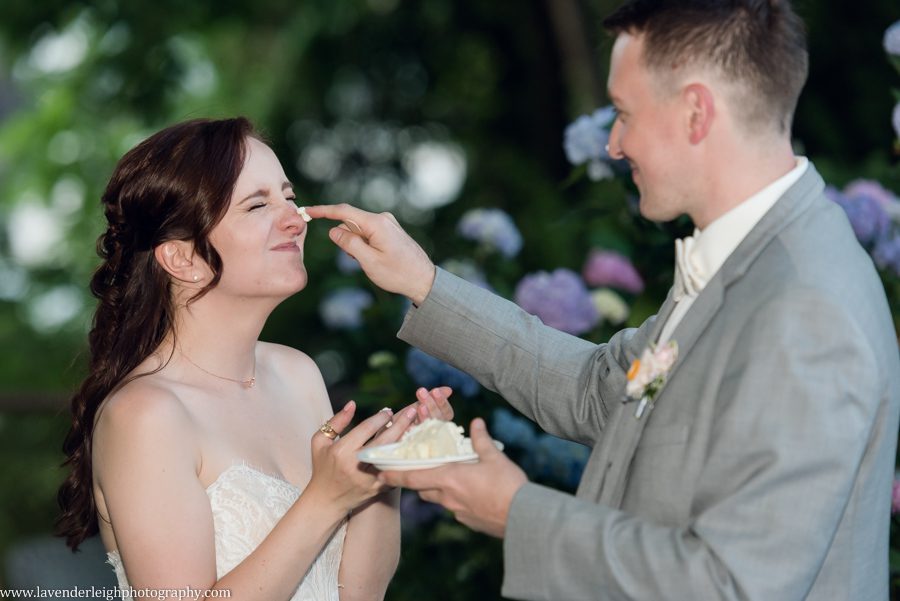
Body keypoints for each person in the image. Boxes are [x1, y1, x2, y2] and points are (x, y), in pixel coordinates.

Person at [305, 1, 900, 599]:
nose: (614, 145)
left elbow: (734, 584)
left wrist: (518, 513)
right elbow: (602, 393)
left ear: (696, 112)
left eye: (623, 113)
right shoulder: (741, 264)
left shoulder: (806, 307)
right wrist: (423, 282)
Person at [54, 117, 454, 601]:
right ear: (183, 259)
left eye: (288, 197)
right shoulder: (145, 415)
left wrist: (384, 474)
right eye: (257, 205)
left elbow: (358, 593)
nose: (294, 219)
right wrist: (324, 501)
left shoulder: (298, 372)